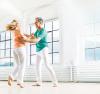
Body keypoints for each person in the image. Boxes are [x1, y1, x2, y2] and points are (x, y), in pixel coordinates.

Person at [24, 17, 58, 87]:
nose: (34, 23)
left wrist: (26, 40)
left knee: (47, 65)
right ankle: (39, 82)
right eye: (35, 22)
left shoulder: (43, 31)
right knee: (37, 66)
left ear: (40, 23)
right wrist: (24, 35)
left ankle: (55, 82)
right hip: (38, 50)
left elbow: (36, 40)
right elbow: (32, 37)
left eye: (36, 22)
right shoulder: (37, 31)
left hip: (43, 49)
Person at [6, 20, 26, 88]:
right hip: (20, 48)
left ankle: (11, 76)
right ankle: (20, 82)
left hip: (15, 49)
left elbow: (22, 36)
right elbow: (23, 39)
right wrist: (29, 39)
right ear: (17, 24)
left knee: (18, 65)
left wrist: (27, 35)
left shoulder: (14, 31)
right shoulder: (18, 30)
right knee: (22, 65)